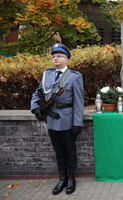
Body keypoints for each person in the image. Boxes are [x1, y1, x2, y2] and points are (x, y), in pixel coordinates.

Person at [31, 43, 84, 195]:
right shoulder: (47, 74)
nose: (55, 58)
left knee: (70, 151)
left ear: (66, 59)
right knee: (59, 151)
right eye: (53, 56)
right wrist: (35, 107)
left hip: (67, 119)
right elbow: (37, 93)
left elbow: (79, 102)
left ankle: (71, 178)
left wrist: (77, 123)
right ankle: (62, 178)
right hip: (52, 120)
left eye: (59, 56)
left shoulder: (75, 77)